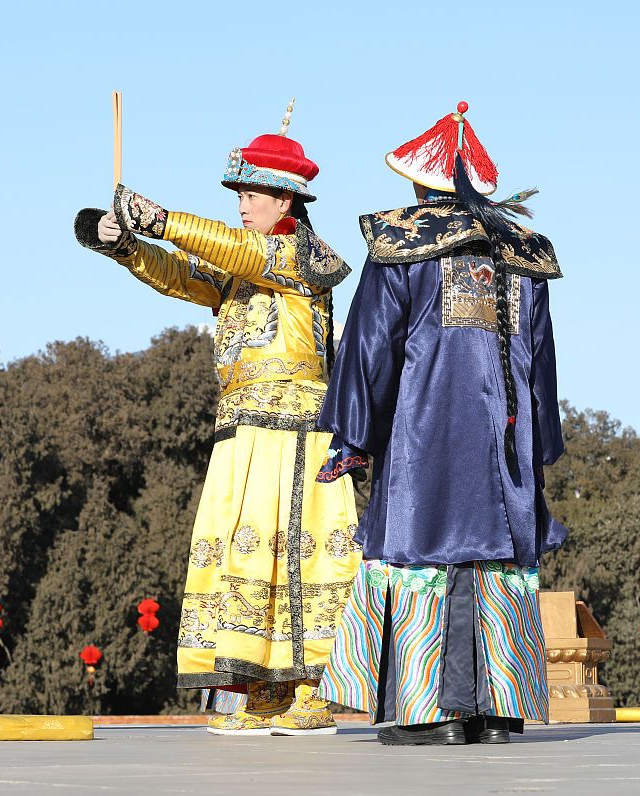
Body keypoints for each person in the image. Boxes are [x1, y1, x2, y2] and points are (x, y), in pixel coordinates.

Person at [73, 101, 360, 736]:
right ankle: (261, 685)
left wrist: (162, 218)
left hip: (298, 432)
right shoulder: (244, 268)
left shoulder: (303, 258)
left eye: (251, 194)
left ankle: (312, 685)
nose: (241, 205)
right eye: (239, 195)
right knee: (248, 553)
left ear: (284, 202)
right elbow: (182, 275)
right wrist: (127, 246)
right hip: (242, 432)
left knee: (303, 554)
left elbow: (232, 249)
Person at [314, 102, 567, 745]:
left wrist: (353, 434)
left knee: (420, 550)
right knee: (496, 559)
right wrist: (539, 448)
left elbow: (370, 348)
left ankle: (432, 711)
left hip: (425, 436)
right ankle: (492, 709)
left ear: (419, 184)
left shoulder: (402, 248)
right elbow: (540, 363)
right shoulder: (523, 256)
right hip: (506, 443)